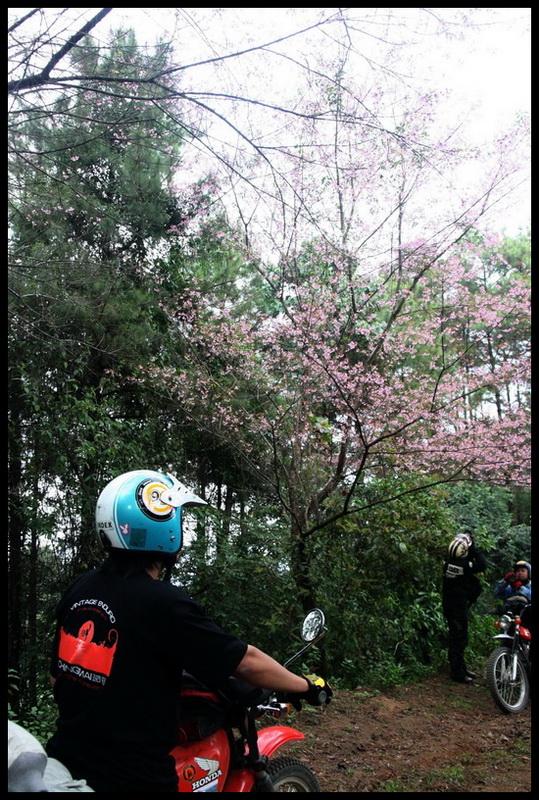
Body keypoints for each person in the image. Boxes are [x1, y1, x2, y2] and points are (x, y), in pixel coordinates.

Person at [45, 470, 331, 793]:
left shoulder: (81, 587)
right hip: (132, 777)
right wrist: (305, 685)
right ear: (163, 526)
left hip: (65, 760)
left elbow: (58, 677)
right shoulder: (163, 602)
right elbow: (244, 662)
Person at [441, 531, 487, 684]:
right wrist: (473, 548)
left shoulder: (449, 563)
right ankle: (457, 673)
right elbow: (482, 565)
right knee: (458, 638)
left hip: (451, 606)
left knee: (458, 636)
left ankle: (461, 667)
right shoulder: (464, 565)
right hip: (457, 607)